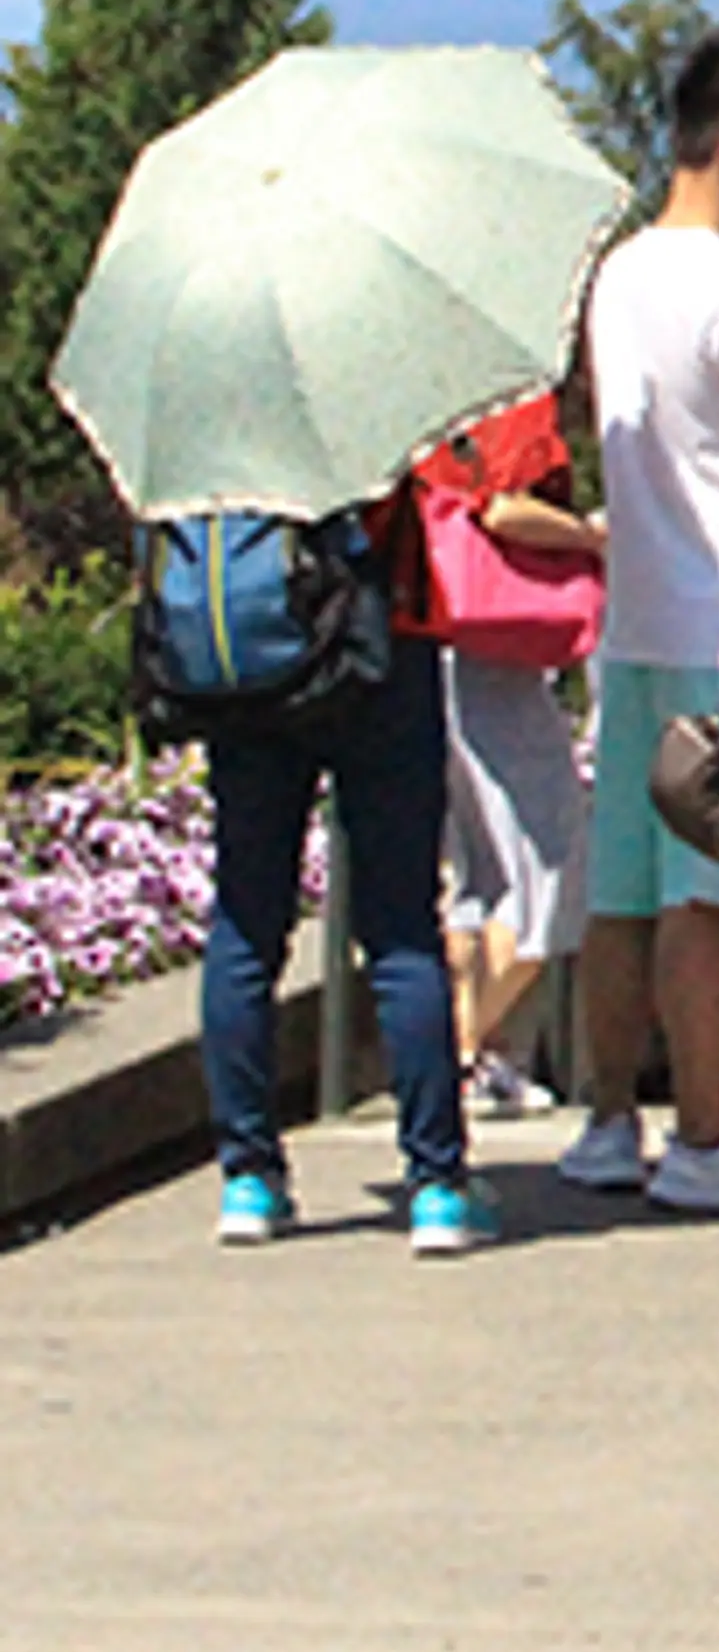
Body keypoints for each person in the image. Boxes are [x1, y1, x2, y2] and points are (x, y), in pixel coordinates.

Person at [565, 31, 719, 1212]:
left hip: (632, 618)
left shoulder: (616, 274)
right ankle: (714, 1134)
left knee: (619, 890)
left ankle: (610, 1117)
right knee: (711, 897)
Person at [196, 485, 491, 1254]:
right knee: (399, 929)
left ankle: (249, 1174)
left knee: (245, 923)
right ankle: (436, 1184)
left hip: (250, 666)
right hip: (377, 651)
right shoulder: (361, 398)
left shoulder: (209, 422)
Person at [418, 384, 601, 1116]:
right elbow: (504, 508)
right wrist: (594, 537)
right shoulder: (514, 398)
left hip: (431, 641)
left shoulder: (428, 403)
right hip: (494, 655)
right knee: (552, 864)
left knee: (471, 878)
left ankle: (495, 1060)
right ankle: (461, 1051)